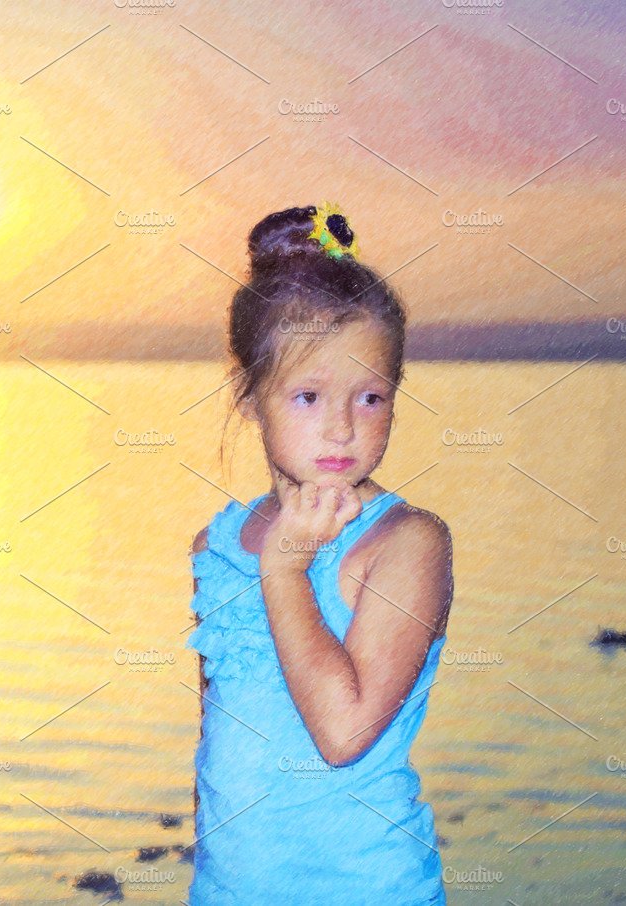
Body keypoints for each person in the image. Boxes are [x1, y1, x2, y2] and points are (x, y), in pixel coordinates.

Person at [186, 203, 453, 903]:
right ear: (250, 395)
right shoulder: (217, 546)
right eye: (308, 396)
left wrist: (285, 569)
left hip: (367, 887)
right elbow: (219, 744)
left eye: (370, 397)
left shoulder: (406, 544)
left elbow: (343, 734)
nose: (341, 426)